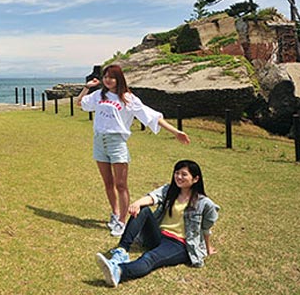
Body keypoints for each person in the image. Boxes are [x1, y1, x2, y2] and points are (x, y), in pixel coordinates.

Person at [77, 64, 190, 236]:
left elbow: (151, 116)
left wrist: (175, 131)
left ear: (119, 79)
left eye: (111, 77)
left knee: (120, 184)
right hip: (99, 141)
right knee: (108, 183)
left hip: (117, 142)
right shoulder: (99, 95)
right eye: (106, 76)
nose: (108, 80)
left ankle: (122, 221)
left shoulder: (128, 98)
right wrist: (86, 87)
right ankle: (115, 214)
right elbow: (80, 103)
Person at [95, 159, 219, 288]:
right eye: (177, 173)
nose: (178, 177)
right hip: (159, 235)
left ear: (195, 179)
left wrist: (207, 248)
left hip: (179, 244)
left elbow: (206, 228)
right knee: (143, 209)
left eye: (184, 174)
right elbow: (153, 197)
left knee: (150, 257)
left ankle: (119, 272)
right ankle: (121, 251)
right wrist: (137, 203)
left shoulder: (205, 204)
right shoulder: (169, 190)